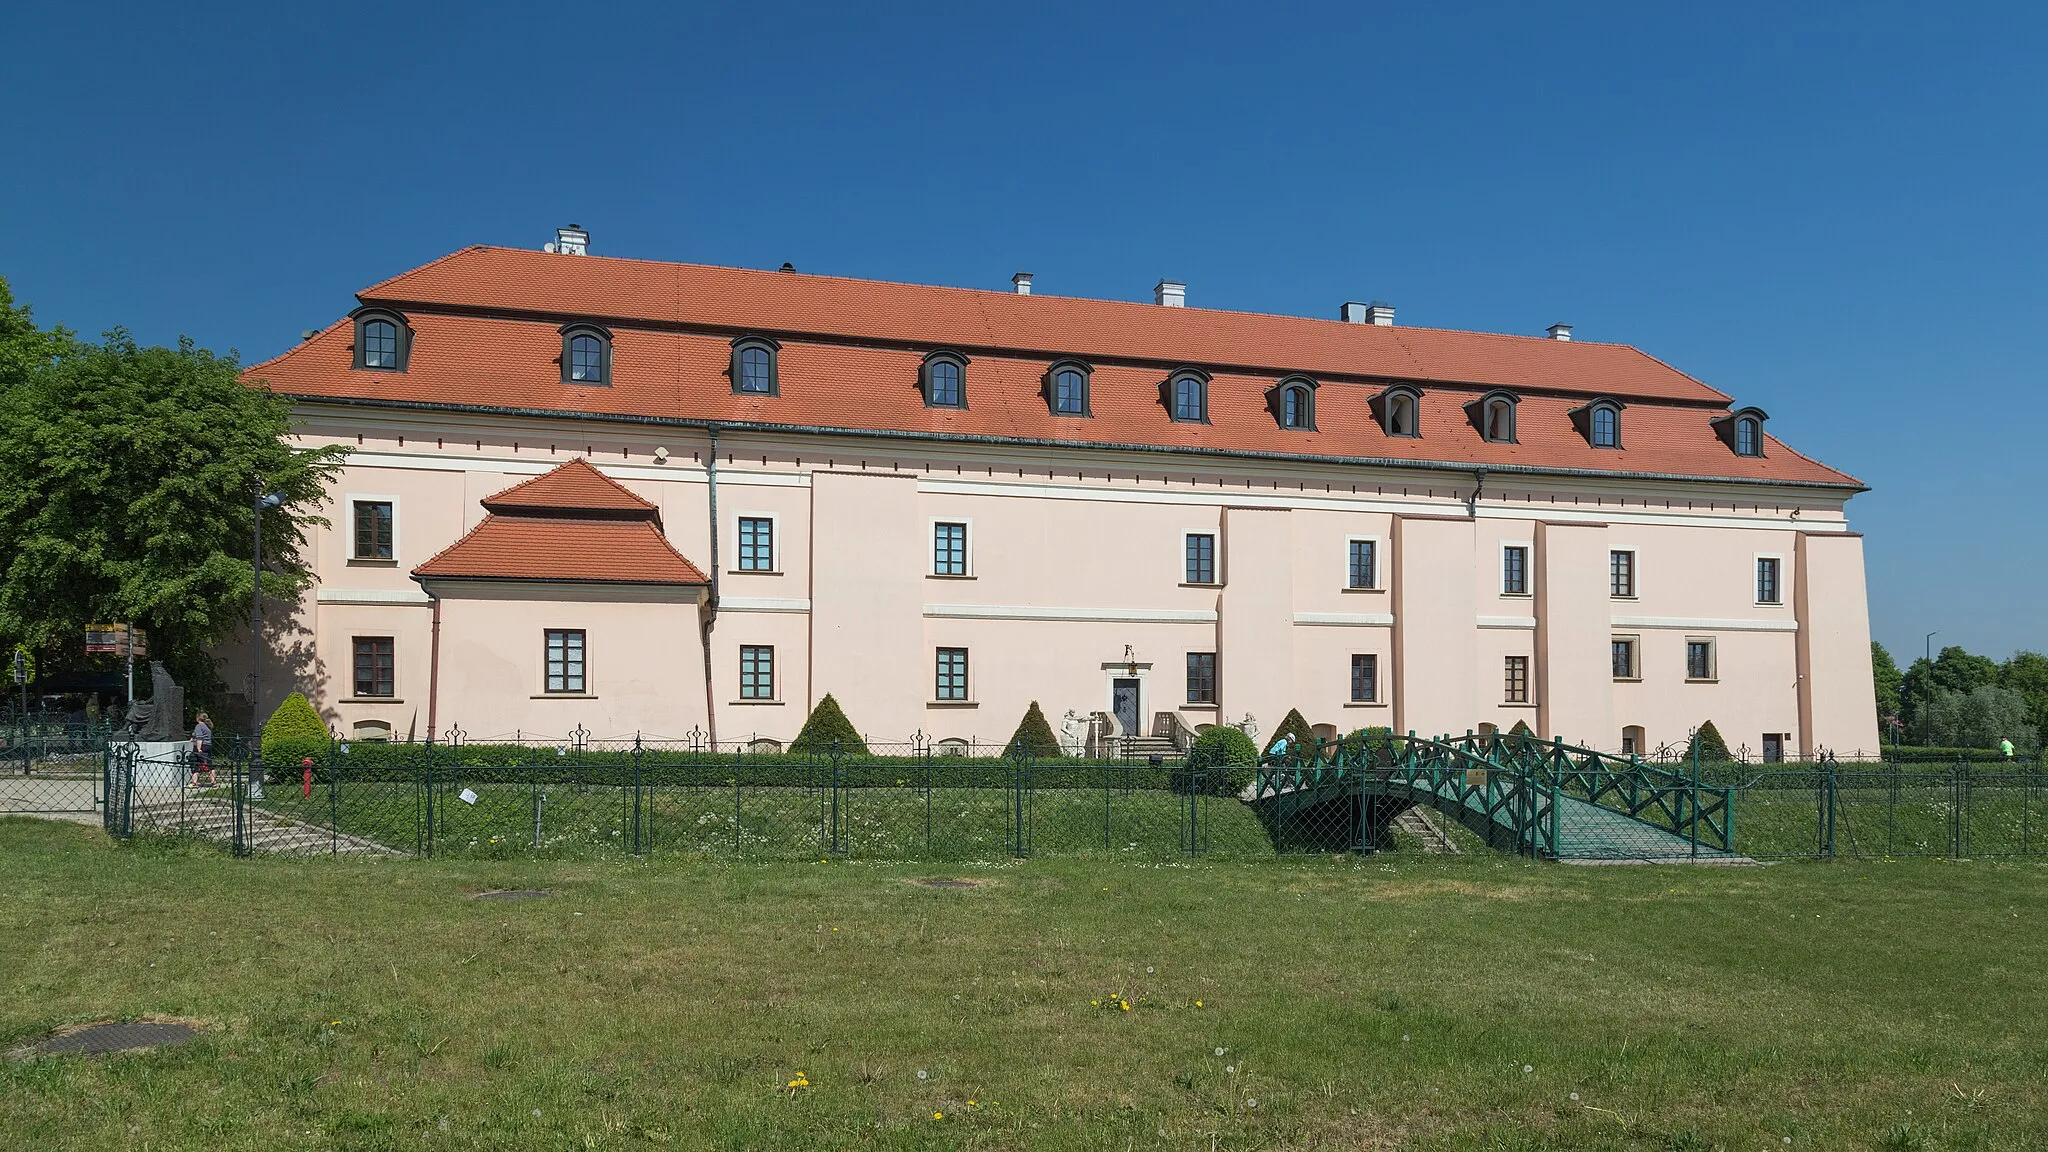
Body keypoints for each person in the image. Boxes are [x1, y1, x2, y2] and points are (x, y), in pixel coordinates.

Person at [190, 711, 215, 787]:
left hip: (202, 746)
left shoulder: (199, 726)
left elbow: (200, 738)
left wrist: (198, 748)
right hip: (208, 746)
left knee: (195, 763)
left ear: (198, 718)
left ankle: (194, 782)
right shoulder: (207, 726)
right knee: (208, 764)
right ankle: (213, 781)